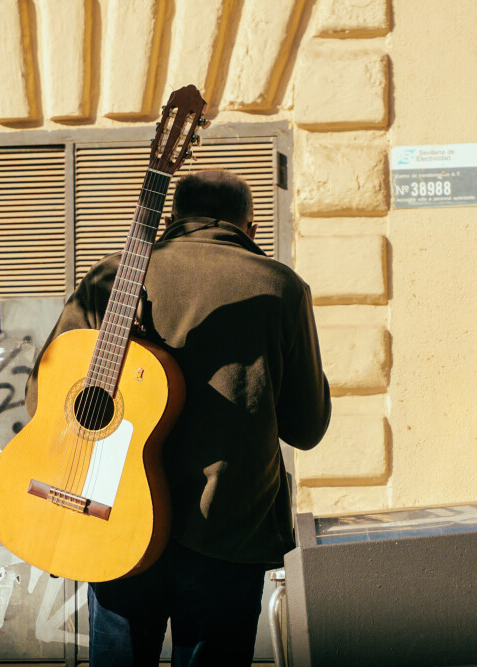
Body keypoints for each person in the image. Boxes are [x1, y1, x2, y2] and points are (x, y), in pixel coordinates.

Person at [25, 169, 331, 666]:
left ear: (172, 219)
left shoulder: (111, 275)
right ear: (250, 228)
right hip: (228, 527)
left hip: (116, 518)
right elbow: (307, 427)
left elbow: (42, 399)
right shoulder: (282, 288)